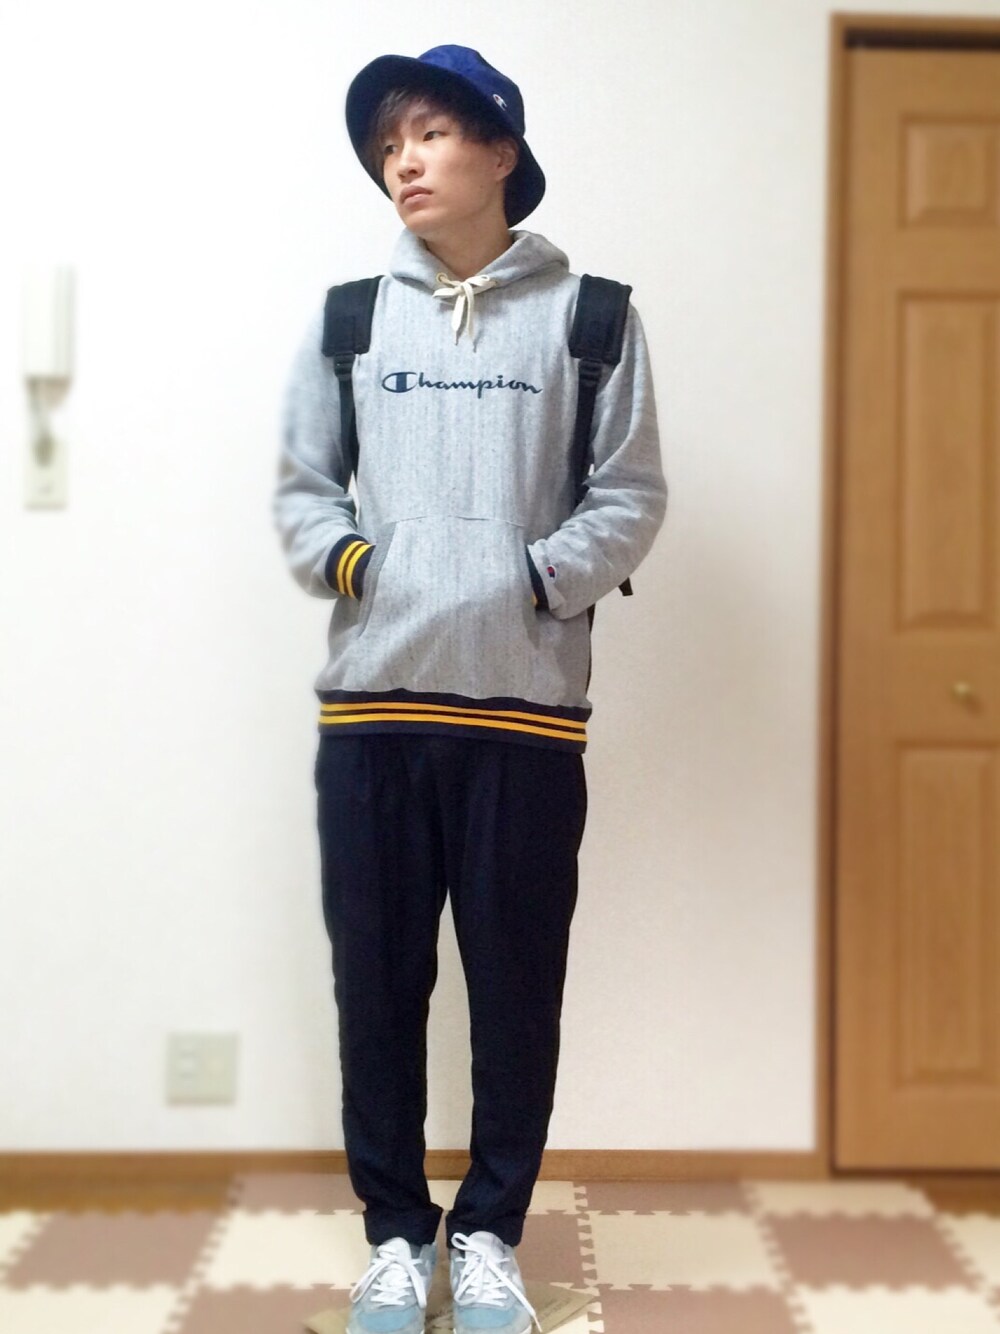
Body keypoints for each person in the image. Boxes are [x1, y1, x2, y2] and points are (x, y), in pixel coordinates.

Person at [273, 44, 667, 1334]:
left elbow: (628, 494)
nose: (405, 160)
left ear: (503, 152)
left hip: (525, 719)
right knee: (378, 996)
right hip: (373, 717)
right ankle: (396, 1239)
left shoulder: (593, 319)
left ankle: (489, 1236)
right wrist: (366, 569)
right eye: (390, 143)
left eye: (432, 133)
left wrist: (533, 580)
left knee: (515, 993)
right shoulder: (349, 318)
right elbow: (304, 493)